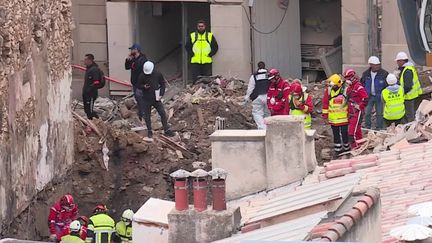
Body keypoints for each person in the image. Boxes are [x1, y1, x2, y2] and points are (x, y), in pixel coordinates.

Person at [136, 61, 175, 141]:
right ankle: (149, 131)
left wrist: (161, 94)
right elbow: (138, 85)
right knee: (147, 116)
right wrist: (144, 86)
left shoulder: (157, 74)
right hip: (146, 98)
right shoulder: (142, 76)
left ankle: (166, 129)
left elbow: (162, 84)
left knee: (162, 113)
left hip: (156, 98)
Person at [322, 74, 350, 155]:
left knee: (344, 133)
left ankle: (346, 148)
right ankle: (338, 149)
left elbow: (349, 103)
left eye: (333, 85)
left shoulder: (345, 90)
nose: (331, 86)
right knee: (336, 134)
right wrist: (325, 116)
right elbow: (325, 103)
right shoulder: (329, 90)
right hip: (333, 118)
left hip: (343, 118)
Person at [361, 56, 389, 130]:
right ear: (371, 65)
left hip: (379, 96)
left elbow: (386, 86)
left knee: (379, 113)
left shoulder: (384, 73)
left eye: (378, 64)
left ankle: (379, 127)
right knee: (367, 112)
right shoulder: (366, 74)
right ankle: (368, 127)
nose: (377, 66)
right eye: (375, 65)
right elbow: (362, 84)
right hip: (369, 96)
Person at [344, 69, 368, 149]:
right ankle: (361, 146)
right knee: (357, 131)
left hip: (357, 112)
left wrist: (360, 106)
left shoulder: (358, 87)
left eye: (348, 78)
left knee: (351, 133)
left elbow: (365, 99)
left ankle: (355, 148)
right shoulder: (349, 88)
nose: (347, 80)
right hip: (351, 112)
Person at [395, 51, 422, 122]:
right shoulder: (408, 69)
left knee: (410, 115)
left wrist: (401, 93)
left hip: (409, 96)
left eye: (398, 61)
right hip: (411, 96)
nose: (397, 63)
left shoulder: (407, 71)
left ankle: (411, 130)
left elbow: (408, 85)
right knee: (410, 114)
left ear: (402, 61)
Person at [244, 61, 270, 129]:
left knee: (257, 113)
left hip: (257, 97)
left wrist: (247, 97)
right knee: (267, 113)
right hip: (268, 97)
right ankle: (268, 128)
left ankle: (262, 128)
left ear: (258, 67)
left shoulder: (254, 76)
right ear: (264, 66)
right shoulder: (269, 75)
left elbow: (250, 88)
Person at [125, 43, 148, 119]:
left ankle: (143, 114)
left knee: (140, 97)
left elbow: (140, 69)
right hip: (135, 82)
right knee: (137, 98)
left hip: (141, 83)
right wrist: (128, 60)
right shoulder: (133, 59)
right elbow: (127, 67)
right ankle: (141, 113)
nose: (131, 51)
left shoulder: (143, 59)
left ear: (136, 50)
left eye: (132, 49)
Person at [83, 54, 102, 120]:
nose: (84, 61)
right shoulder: (88, 69)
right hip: (86, 93)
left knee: (90, 111)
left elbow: (96, 82)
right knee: (87, 110)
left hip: (91, 94)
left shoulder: (94, 69)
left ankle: (94, 122)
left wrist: (89, 90)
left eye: (85, 59)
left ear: (89, 60)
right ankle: (91, 122)